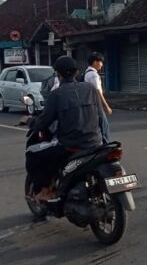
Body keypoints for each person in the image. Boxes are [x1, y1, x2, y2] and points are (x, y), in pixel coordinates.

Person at [26, 56, 102, 202]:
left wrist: (30, 121)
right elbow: (99, 114)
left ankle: (45, 191)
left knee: (31, 153)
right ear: (77, 72)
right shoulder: (90, 89)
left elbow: (44, 122)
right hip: (95, 143)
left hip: (71, 146)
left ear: (58, 74)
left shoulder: (56, 94)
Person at [84, 52, 112, 144]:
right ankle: (106, 145)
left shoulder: (87, 73)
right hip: (96, 104)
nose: (102, 64)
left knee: (98, 126)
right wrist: (106, 106)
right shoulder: (93, 75)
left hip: (91, 104)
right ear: (95, 62)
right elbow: (98, 92)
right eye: (101, 62)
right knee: (104, 126)